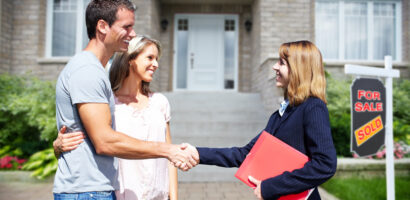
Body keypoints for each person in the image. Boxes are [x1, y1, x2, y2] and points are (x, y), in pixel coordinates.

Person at [53, 1, 197, 199]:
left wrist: (58, 146)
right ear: (103, 26)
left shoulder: (95, 71)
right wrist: (167, 150)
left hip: (95, 189)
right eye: (126, 27)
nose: (132, 33)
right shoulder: (87, 71)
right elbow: (104, 141)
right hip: (87, 192)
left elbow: (81, 131)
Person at [195, 41, 337, 199]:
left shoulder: (313, 108)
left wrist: (271, 186)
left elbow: (325, 165)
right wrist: (197, 154)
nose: (274, 67)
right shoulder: (280, 115)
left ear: (298, 69)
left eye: (281, 63)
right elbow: (246, 154)